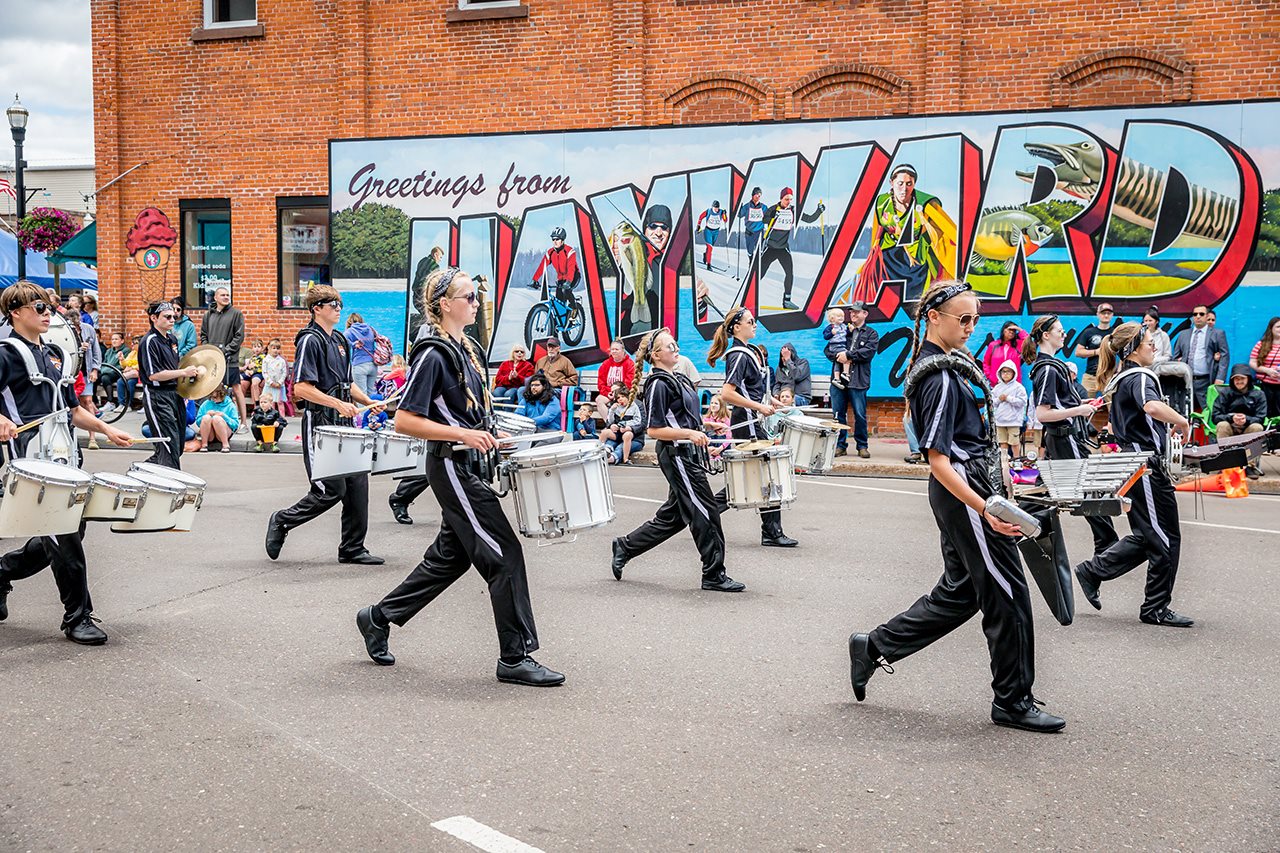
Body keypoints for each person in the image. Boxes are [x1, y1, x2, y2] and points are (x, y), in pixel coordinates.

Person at [847, 279, 1065, 733]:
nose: (970, 327)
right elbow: (939, 461)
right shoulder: (941, 376)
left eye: (974, 319)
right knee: (1008, 594)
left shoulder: (944, 366)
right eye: (962, 319)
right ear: (934, 318)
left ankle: (873, 647)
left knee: (961, 593)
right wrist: (986, 507)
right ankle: (1012, 701)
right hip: (965, 493)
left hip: (969, 490)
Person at [356, 267, 563, 686]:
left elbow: (466, 411)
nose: (475, 302)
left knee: (448, 560)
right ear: (445, 305)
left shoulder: (465, 348)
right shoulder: (433, 354)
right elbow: (405, 420)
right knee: (504, 555)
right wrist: (463, 434)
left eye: (475, 296)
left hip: (467, 461)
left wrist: (491, 432)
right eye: (468, 297)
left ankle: (378, 617)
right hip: (450, 465)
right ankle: (514, 657)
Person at [0, 280, 134, 645]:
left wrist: (107, 429)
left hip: (64, 455)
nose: (47, 314)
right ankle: (78, 617)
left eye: (48, 307)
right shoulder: (5, 353)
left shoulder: (56, 353)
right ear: (15, 313)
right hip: (32, 460)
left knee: (61, 534)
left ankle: (1, 572)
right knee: (65, 535)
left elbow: (70, 410)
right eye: (38, 308)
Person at [1075, 321, 1194, 628]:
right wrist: (1182, 421)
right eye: (1149, 342)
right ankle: (1155, 608)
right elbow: (1152, 407)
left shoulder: (1123, 378)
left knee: (1148, 536)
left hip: (1138, 465)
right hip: (1145, 467)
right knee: (1164, 538)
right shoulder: (1140, 375)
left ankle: (1092, 571)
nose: (1153, 346)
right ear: (1133, 349)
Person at [610, 328, 745, 592]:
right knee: (705, 512)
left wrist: (705, 425)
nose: (676, 349)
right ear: (656, 355)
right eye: (670, 346)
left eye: (675, 344)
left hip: (687, 453)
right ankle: (713, 574)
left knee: (674, 517)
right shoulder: (658, 384)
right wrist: (689, 433)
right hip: (677, 455)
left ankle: (625, 546)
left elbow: (682, 417)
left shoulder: (679, 378)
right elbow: (654, 429)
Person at [265, 285, 385, 566]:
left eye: (340, 303)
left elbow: (347, 383)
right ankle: (282, 521)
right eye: (332, 304)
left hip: (344, 421)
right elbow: (302, 388)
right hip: (320, 423)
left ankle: (353, 548)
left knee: (357, 484)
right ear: (316, 308)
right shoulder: (310, 340)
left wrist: (368, 399)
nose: (338, 308)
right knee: (329, 490)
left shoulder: (341, 340)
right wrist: (337, 404)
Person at [1022, 314, 1118, 553]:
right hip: (1064, 438)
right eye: (1059, 330)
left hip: (1063, 437)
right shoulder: (1048, 369)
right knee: (1089, 491)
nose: (1064, 334)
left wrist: (1083, 404)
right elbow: (1043, 414)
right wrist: (1079, 409)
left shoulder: (1054, 366)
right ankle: (1107, 548)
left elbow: (1059, 405)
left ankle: (1015, 529)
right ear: (1046, 335)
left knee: (1040, 495)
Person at [708, 306, 797, 547]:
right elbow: (727, 394)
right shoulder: (738, 354)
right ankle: (705, 512)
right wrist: (758, 408)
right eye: (750, 321)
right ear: (737, 327)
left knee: (762, 476)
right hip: (746, 423)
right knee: (758, 476)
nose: (754, 324)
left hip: (754, 421)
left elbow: (757, 391)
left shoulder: (751, 351)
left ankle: (771, 531)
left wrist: (774, 403)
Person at [855, 164, 952, 304]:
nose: (904, 189)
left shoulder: (926, 203)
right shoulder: (882, 202)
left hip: (916, 257)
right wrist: (874, 248)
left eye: (909, 184)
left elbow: (945, 229)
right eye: (900, 183)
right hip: (889, 255)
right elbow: (879, 227)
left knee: (914, 297)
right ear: (892, 183)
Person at [138, 300, 199, 468]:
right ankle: (173, 487)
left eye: (173, 316)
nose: (173, 319)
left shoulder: (172, 339)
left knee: (177, 446)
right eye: (167, 317)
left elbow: (174, 367)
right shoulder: (149, 341)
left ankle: (143, 471)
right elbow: (154, 375)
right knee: (168, 445)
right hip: (157, 396)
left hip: (175, 394)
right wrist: (183, 373)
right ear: (154, 318)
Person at [758, 187, 825, 311]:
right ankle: (750, 297)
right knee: (759, 274)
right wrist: (773, 216)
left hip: (783, 248)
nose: (788, 201)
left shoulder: (793, 210)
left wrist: (819, 211)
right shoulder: (773, 208)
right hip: (771, 247)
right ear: (781, 198)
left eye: (790, 199)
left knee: (789, 273)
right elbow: (764, 219)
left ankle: (787, 301)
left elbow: (809, 219)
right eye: (786, 199)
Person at [826, 300, 878, 458]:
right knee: (838, 414)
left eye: (857, 311)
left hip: (859, 379)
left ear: (865, 314)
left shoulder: (871, 333)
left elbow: (867, 353)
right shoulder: (843, 330)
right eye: (851, 312)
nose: (853, 314)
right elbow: (828, 349)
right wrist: (837, 356)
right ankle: (840, 445)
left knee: (860, 414)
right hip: (838, 380)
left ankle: (862, 446)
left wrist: (848, 355)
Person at [200, 285, 247, 422]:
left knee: (237, 388)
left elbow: (239, 336)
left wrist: (226, 350)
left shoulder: (236, 313)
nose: (226, 297)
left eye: (228, 295)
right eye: (223, 295)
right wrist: (209, 350)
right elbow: (203, 335)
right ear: (215, 297)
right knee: (213, 388)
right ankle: (213, 420)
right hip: (213, 360)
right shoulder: (208, 315)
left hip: (229, 358)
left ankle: (243, 422)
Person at [1212, 364, 1268, 477]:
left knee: (1257, 427)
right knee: (1221, 425)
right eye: (1236, 379)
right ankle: (1224, 465)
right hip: (1230, 427)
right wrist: (1231, 418)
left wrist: (1246, 420)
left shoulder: (1258, 394)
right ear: (1232, 380)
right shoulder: (1224, 393)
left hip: (1248, 428)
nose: (1239, 381)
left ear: (1248, 379)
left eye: (1242, 378)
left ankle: (1250, 466)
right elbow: (1215, 416)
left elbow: (1261, 417)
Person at [1172, 304, 1230, 410]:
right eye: (1195, 314)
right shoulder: (1183, 334)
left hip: (1206, 380)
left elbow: (1224, 356)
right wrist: (1178, 362)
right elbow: (1175, 356)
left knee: (1208, 411)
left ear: (1207, 316)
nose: (1198, 316)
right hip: (1185, 380)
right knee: (1185, 410)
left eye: (1201, 314)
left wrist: (1220, 378)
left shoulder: (1217, 333)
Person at [1074, 302, 1116, 395]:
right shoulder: (1089, 332)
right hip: (1090, 376)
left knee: (1112, 406)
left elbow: (1123, 354)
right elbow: (1078, 352)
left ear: (1112, 315)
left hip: (1109, 377)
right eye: (1103, 313)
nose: (1106, 315)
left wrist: (1118, 371)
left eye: (1108, 313)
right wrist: (1096, 352)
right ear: (1097, 314)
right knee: (1085, 406)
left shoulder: (1115, 333)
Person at [991, 360, 1027, 462]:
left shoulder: (1019, 387)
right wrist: (999, 399)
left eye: (1008, 372)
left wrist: (1008, 398)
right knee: (1002, 442)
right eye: (1003, 372)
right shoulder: (997, 388)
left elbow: (1022, 402)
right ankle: (1004, 461)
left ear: (1014, 373)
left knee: (1015, 442)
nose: (1006, 374)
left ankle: (1016, 460)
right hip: (1000, 421)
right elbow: (992, 403)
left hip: (1013, 421)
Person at [531, 227, 580, 299]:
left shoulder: (569, 251)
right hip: (561, 279)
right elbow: (542, 266)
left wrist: (569, 281)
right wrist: (534, 279)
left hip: (573, 276)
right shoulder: (550, 252)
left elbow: (571, 268)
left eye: (557, 239)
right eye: (553, 239)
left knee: (566, 291)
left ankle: (574, 309)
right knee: (559, 298)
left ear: (562, 240)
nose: (555, 241)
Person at [601, 383, 644, 464]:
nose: (619, 399)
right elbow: (609, 421)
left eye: (615, 391)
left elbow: (642, 423)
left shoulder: (636, 405)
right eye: (617, 397)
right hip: (618, 433)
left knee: (622, 444)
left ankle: (616, 458)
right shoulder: (615, 405)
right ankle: (601, 452)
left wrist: (628, 427)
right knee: (605, 433)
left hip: (634, 437)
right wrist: (612, 425)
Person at [1247, 316, 1280, 418]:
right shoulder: (1261, 344)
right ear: (1271, 329)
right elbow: (1252, 362)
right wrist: (1267, 371)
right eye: (1278, 327)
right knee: (1265, 413)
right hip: (1264, 386)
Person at [595, 339, 636, 420]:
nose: (614, 351)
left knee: (623, 401)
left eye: (616, 349)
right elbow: (601, 382)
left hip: (624, 393)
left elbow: (629, 383)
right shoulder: (606, 363)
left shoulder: (629, 364)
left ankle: (620, 424)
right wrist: (607, 393)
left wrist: (618, 393)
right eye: (612, 349)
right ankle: (609, 423)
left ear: (623, 351)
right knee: (599, 400)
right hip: (609, 392)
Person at [195, 385, 239, 452]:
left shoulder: (230, 405)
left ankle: (225, 444)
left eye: (216, 397)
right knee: (206, 417)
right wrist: (206, 414)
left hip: (224, 432)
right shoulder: (206, 404)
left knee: (217, 418)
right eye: (212, 397)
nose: (214, 399)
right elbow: (198, 422)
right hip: (210, 434)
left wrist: (224, 416)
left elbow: (235, 425)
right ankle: (204, 444)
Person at [344, 313, 379, 397]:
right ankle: (372, 410)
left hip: (359, 365)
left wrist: (353, 344)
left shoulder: (350, 331)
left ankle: (363, 411)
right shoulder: (370, 329)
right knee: (371, 395)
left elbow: (341, 342)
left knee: (361, 395)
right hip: (373, 365)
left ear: (349, 322)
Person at [823, 308, 851, 389]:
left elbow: (846, 333)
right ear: (832, 318)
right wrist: (831, 333)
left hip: (842, 345)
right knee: (847, 356)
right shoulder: (831, 327)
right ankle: (845, 373)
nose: (841, 318)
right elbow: (825, 336)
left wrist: (850, 330)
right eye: (839, 316)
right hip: (835, 346)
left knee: (837, 362)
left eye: (842, 316)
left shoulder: (843, 326)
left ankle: (836, 378)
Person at [737, 186, 767, 261]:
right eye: (756, 194)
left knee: (759, 250)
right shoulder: (747, 206)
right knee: (750, 250)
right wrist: (739, 208)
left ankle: (757, 266)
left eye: (759, 195)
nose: (758, 196)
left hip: (759, 231)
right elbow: (739, 215)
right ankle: (751, 261)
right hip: (749, 231)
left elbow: (768, 217)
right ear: (753, 195)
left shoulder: (763, 207)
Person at [696, 200, 728, 270]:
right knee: (710, 248)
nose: (716, 209)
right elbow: (701, 216)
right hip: (708, 231)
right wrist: (698, 226)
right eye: (715, 208)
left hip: (716, 232)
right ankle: (709, 264)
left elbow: (725, 220)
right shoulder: (708, 211)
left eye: (717, 208)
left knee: (710, 248)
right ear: (712, 207)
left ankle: (705, 255)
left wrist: (725, 214)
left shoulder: (721, 212)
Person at [261, 338, 289, 415]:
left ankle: (282, 418)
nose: (276, 350)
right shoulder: (266, 360)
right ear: (269, 348)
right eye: (273, 348)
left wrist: (279, 382)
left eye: (278, 348)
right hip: (270, 385)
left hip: (279, 385)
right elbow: (264, 372)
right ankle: (272, 417)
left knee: (280, 402)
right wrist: (271, 382)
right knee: (271, 402)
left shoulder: (281, 361)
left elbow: (284, 373)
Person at [239, 339, 267, 414]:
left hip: (258, 373)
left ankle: (257, 404)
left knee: (254, 383)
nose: (256, 348)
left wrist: (253, 371)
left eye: (259, 346)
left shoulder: (263, 357)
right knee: (238, 379)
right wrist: (247, 370)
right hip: (250, 373)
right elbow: (248, 366)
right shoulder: (252, 357)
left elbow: (263, 368)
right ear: (252, 348)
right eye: (255, 347)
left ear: (262, 348)